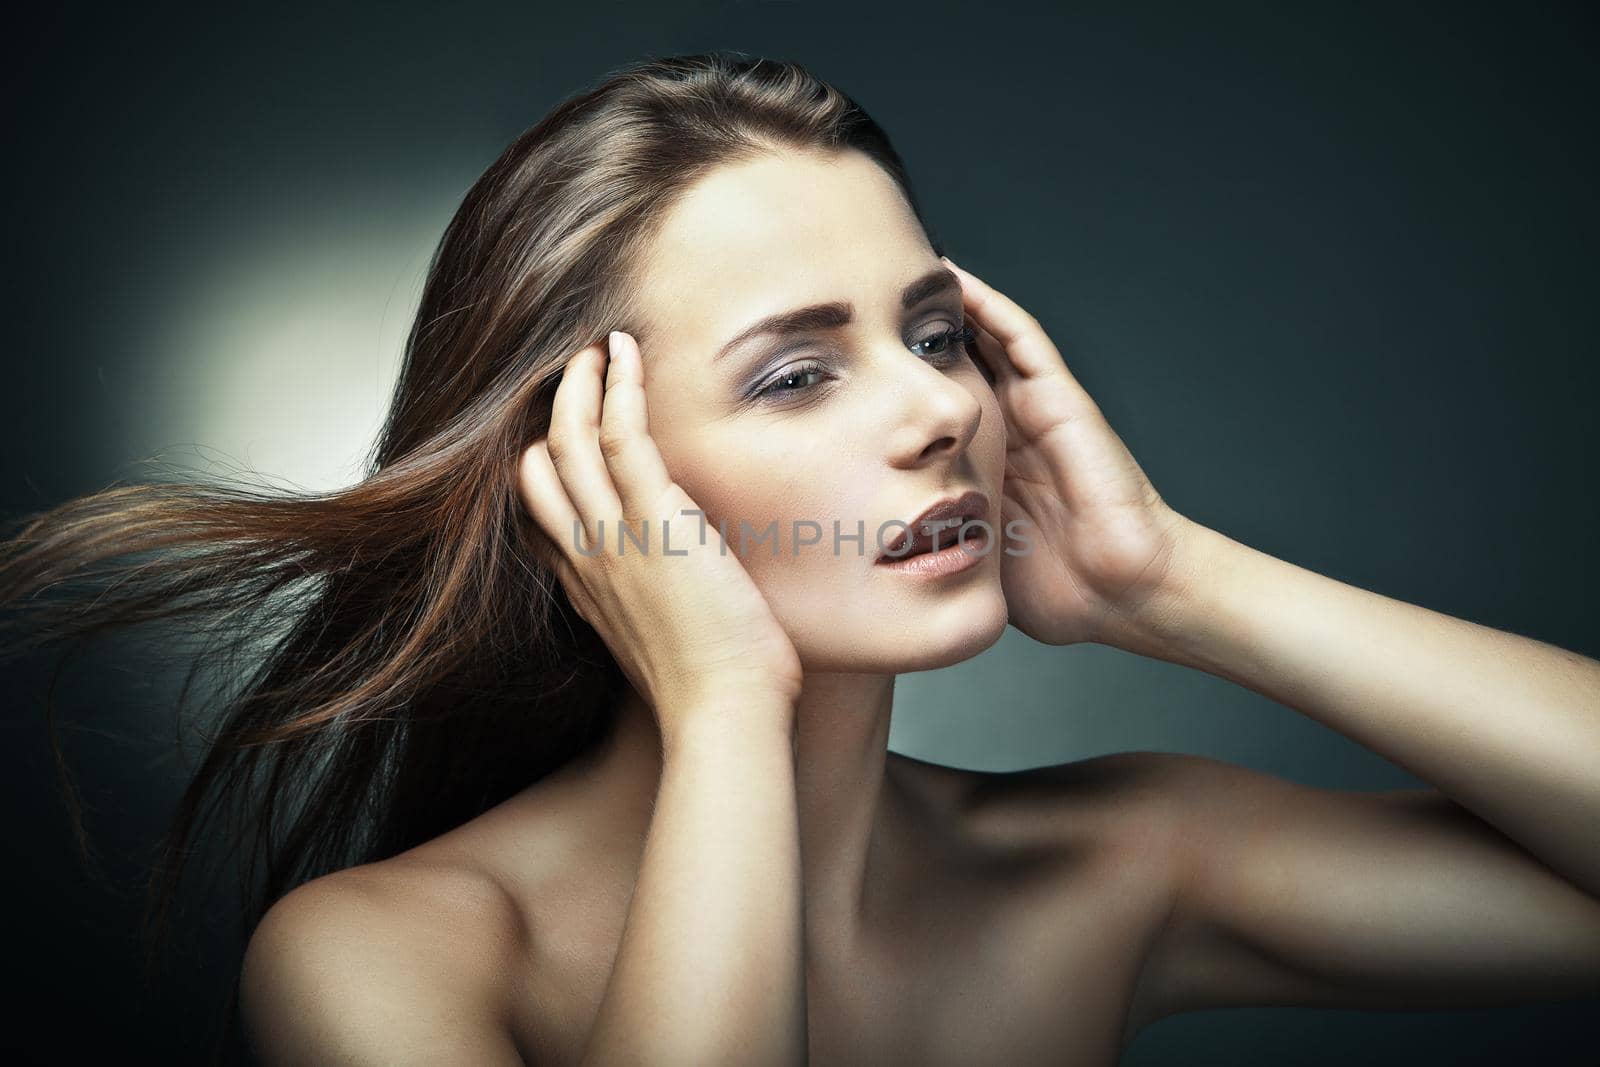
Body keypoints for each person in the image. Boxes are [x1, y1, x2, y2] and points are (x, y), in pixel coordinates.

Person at [3, 50, 1597, 1067]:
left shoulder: (1111, 865)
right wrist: (721, 708)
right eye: (795, 369)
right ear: (587, 476)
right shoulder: (393, 960)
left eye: (932, 331)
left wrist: (1175, 582)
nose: (937, 411)